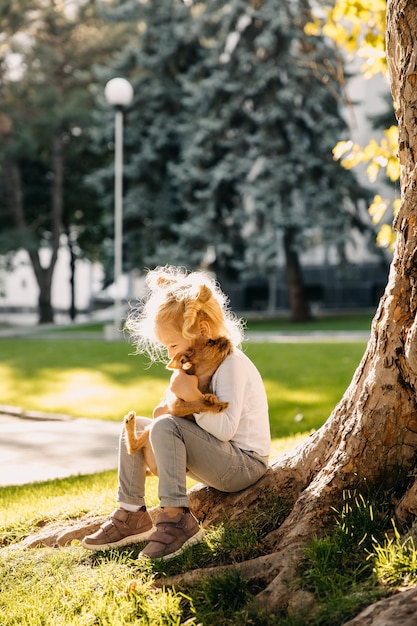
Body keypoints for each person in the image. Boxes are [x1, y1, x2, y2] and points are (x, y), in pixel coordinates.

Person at [82, 265, 271, 560]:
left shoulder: (232, 364)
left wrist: (192, 398)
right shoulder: (196, 364)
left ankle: (177, 518)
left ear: (202, 331)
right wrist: (170, 410)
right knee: (136, 427)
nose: (170, 354)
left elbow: (225, 430)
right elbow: (168, 416)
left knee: (164, 427)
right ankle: (131, 513)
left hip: (244, 466)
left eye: (172, 344)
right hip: (219, 457)